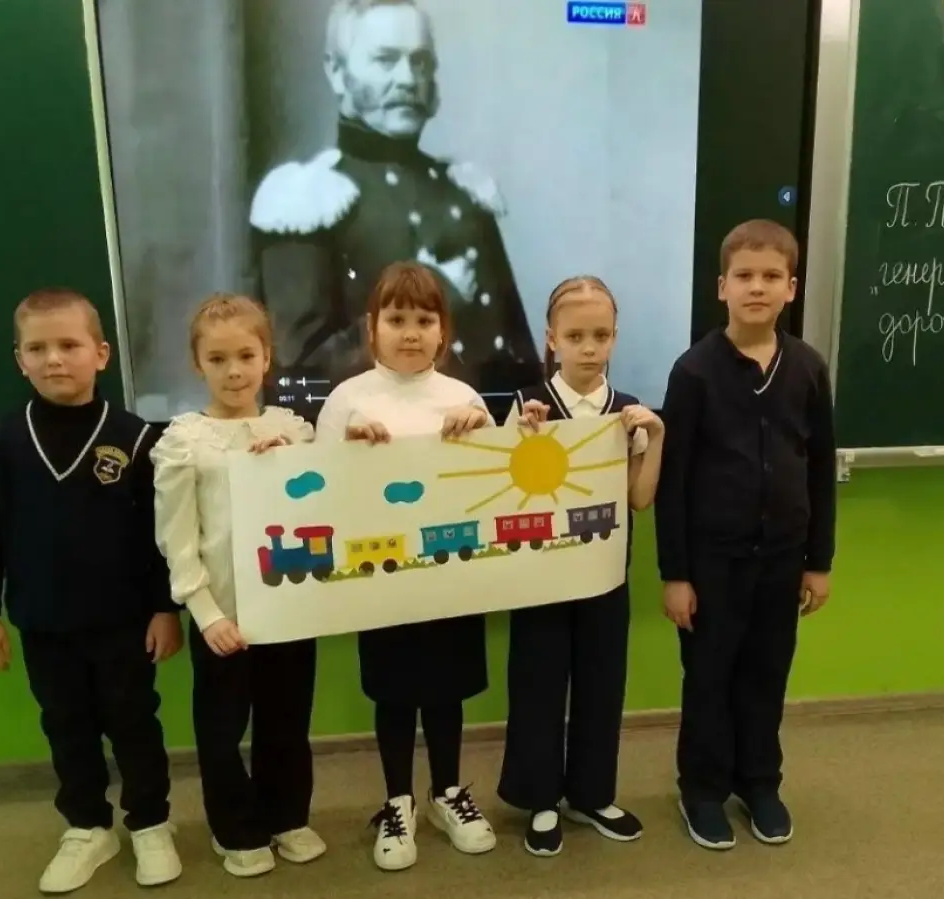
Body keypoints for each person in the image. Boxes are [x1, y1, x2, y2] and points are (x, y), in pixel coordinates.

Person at [0, 289, 183, 894]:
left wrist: (165, 608)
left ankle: (150, 822)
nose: (54, 358)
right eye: (38, 348)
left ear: (101, 354)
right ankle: (87, 826)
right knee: (66, 725)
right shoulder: (1, 438)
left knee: (134, 723)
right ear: (20, 360)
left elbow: (157, 537)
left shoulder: (135, 438)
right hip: (42, 620)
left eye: (69, 345)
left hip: (123, 620)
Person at [250, 0, 540, 416]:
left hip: (480, 434)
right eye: (385, 60)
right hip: (368, 436)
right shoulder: (308, 199)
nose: (407, 79)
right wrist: (437, 296)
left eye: (419, 62)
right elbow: (299, 373)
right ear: (337, 71)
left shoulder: (464, 191)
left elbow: (518, 360)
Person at [655, 220, 837, 851]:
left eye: (771, 276)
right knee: (708, 678)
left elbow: (821, 467)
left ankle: (759, 782)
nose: (757, 287)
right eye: (744, 276)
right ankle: (703, 790)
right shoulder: (694, 372)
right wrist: (675, 575)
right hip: (713, 563)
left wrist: (819, 561)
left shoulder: (808, 368)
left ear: (792, 288)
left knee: (765, 675)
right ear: (722, 287)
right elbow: (673, 480)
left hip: (782, 561)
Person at [315, 260, 497, 872]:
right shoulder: (346, 401)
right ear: (372, 328)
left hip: (451, 576)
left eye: (424, 319)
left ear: (444, 331)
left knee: (446, 690)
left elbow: (494, 486)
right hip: (381, 578)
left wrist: (483, 432)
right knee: (393, 693)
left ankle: (447, 793)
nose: (411, 332)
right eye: (396, 319)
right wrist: (347, 449)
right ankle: (398, 800)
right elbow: (316, 490)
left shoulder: (463, 398)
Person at [150, 294, 324, 878]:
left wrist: (291, 463)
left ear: (267, 357)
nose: (234, 371)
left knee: (287, 722)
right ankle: (235, 828)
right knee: (223, 730)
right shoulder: (185, 440)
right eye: (218, 359)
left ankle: (286, 816)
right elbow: (178, 538)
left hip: (287, 607)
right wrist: (206, 612)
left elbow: (323, 504)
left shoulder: (293, 430)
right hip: (223, 616)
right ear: (197, 363)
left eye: (246, 356)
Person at [496, 276, 664, 857]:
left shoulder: (627, 411)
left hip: (605, 575)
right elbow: (506, 491)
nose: (589, 348)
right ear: (552, 340)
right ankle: (541, 797)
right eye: (575, 336)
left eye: (600, 335)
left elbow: (639, 498)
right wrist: (525, 438)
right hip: (541, 577)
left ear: (615, 337)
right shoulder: (528, 404)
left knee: (601, 683)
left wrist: (656, 436)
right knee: (538, 684)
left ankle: (591, 794)